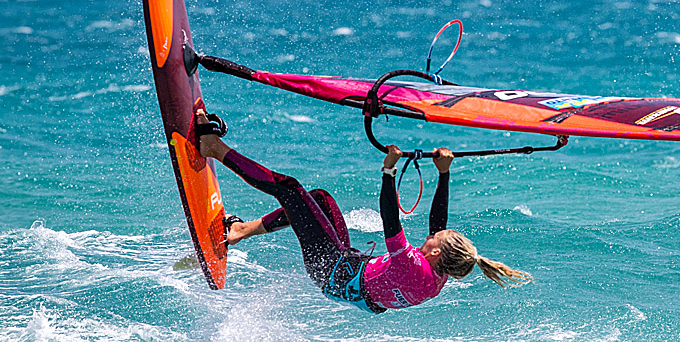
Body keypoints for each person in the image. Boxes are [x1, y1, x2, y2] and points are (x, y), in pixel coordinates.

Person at [194, 110, 532, 313]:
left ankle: (213, 147)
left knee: (291, 189)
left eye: (435, 238)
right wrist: (444, 173)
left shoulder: (413, 266)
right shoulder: (441, 272)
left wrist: (388, 171)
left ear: (436, 251)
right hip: (347, 268)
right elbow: (438, 225)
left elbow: (390, 220)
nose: (431, 235)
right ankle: (238, 232)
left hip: (329, 269)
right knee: (320, 200)